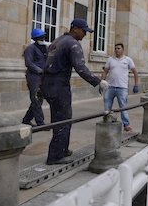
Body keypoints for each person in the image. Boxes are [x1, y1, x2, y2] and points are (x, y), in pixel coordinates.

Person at [41, 18, 109, 165]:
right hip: (59, 84)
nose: (85, 34)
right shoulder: (73, 44)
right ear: (75, 29)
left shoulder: (58, 40)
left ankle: (62, 149)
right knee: (63, 120)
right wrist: (98, 81)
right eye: (84, 31)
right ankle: (56, 156)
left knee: (59, 117)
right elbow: (80, 67)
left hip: (48, 82)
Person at [101, 43, 139, 131]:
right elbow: (105, 71)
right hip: (110, 87)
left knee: (123, 107)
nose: (117, 50)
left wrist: (136, 84)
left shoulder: (128, 60)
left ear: (123, 50)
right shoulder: (110, 59)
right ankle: (107, 122)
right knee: (107, 107)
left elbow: (135, 72)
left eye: (118, 48)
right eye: (115, 48)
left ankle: (127, 125)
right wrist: (101, 82)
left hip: (122, 87)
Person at [22, 28, 48, 127]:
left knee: (38, 99)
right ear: (36, 38)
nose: (43, 39)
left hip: (43, 77)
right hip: (33, 77)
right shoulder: (30, 49)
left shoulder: (45, 48)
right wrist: (39, 70)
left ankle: (26, 119)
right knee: (36, 98)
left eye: (43, 37)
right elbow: (28, 63)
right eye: (40, 37)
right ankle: (40, 122)